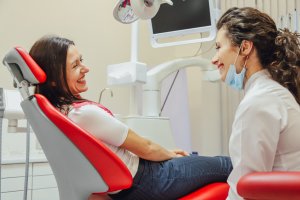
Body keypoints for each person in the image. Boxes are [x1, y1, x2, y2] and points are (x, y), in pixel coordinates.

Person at [29, 35, 232, 200]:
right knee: (227, 164)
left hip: (132, 186)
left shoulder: (57, 116)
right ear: (54, 80)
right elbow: (146, 148)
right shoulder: (83, 114)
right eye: (75, 66)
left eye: (82, 60)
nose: (85, 68)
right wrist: (171, 155)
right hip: (152, 179)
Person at [211, 7, 300, 200]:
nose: (214, 59)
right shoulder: (273, 93)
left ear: (245, 48)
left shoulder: (258, 102)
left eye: (219, 47)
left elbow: (245, 191)